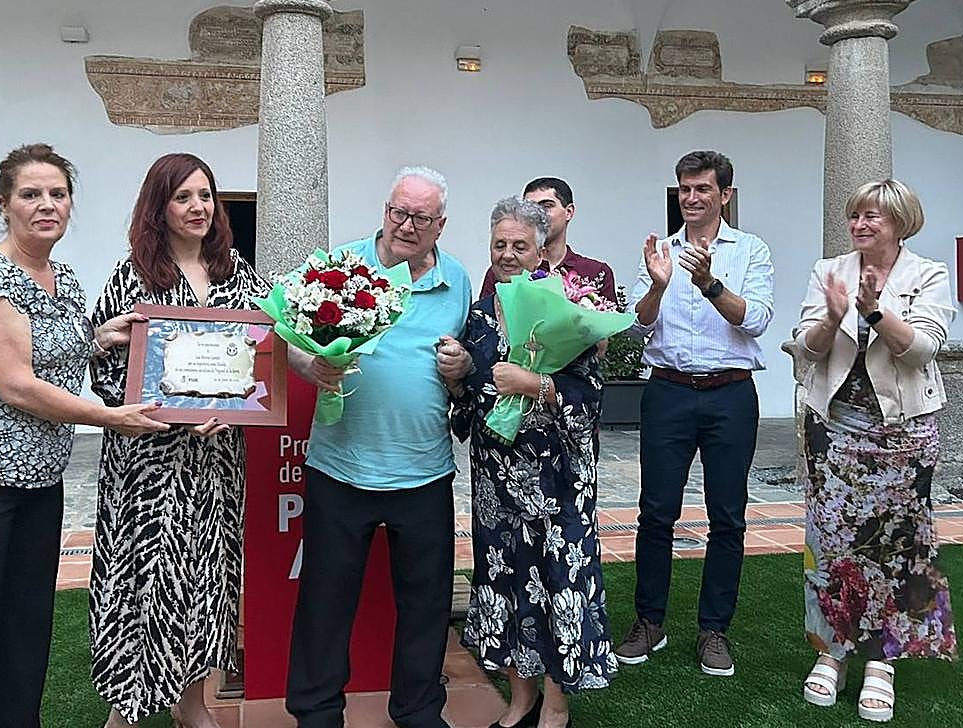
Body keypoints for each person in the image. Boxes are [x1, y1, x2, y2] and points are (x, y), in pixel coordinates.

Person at [0, 143, 167, 728]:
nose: (46, 205)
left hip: (39, 476)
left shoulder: (65, 278)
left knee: (26, 620)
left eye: (58, 194)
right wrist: (112, 418)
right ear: (4, 205)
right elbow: (18, 385)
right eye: (31, 194)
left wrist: (102, 334)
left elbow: (55, 347)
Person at [285, 166, 473, 728]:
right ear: (385, 209)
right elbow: (290, 343)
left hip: (423, 469)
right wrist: (312, 363)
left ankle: (417, 708)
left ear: (440, 225)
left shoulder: (457, 280)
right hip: (341, 466)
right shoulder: (337, 268)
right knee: (325, 598)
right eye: (399, 212)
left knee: (426, 601)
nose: (406, 226)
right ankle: (316, 711)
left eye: (421, 217)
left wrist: (462, 369)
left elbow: (465, 363)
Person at [88, 153, 271, 728]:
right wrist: (173, 414)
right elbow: (109, 374)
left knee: (208, 581)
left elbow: (267, 352)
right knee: (142, 579)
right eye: (183, 197)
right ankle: (126, 710)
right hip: (148, 465)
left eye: (206, 196)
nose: (198, 207)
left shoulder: (239, 274)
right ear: (159, 207)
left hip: (215, 463)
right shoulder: (131, 277)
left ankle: (194, 704)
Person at [447, 197, 616, 728]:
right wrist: (456, 377)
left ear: (542, 247)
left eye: (520, 244)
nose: (508, 254)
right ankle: (520, 699)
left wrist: (536, 384)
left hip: (558, 479)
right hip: (498, 482)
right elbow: (471, 398)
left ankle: (557, 703)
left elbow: (588, 397)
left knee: (558, 582)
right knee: (507, 581)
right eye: (499, 244)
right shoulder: (478, 315)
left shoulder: (564, 305)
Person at [795, 179, 957, 721]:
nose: (862, 226)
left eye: (874, 217)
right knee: (830, 540)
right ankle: (832, 653)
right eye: (856, 216)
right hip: (834, 428)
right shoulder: (828, 270)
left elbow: (923, 350)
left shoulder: (927, 274)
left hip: (904, 432)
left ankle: (881, 662)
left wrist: (872, 311)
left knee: (896, 545)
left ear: (901, 222)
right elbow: (806, 349)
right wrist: (835, 316)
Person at [614, 150, 774, 677]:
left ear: (725, 195)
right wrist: (659, 285)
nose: (692, 198)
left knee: (727, 516)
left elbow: (756, 321)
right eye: (684, 188)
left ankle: (713, 630)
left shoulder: (750, 251)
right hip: (668, 393)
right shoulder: (659, 251)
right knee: (656, 512)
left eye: (703, 188)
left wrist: (709, 284)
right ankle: (649, 621)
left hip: (730, 394)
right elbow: (637, 327)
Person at [478, 177, 614, 302]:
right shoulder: (506, 268)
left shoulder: (596, 271)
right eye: (530, 207)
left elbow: (611, 323)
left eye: (546, 206)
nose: (538, 213)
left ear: (569, 212)